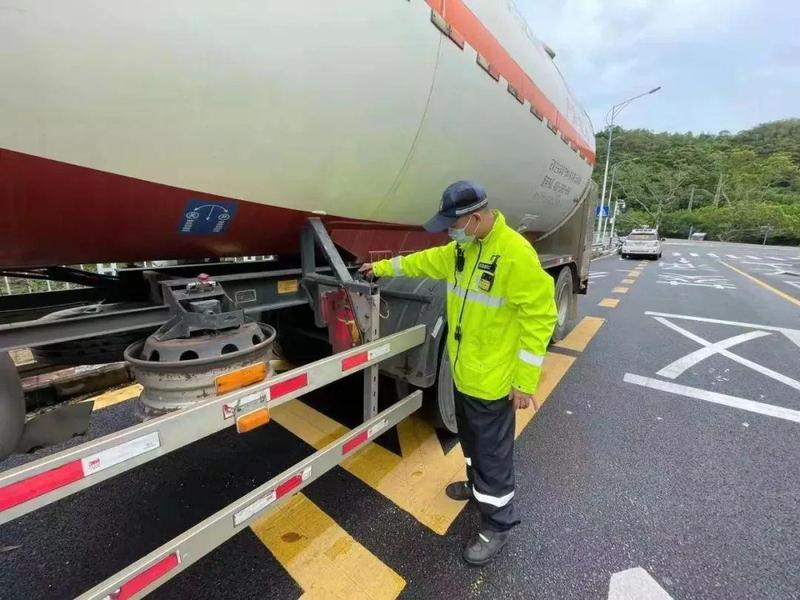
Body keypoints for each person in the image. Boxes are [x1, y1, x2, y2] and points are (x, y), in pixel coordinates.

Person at [359, 180, 557, 565]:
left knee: (492, 455)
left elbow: (541, 318)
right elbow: (421, 261)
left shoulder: (515, 254)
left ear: (475, 219)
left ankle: (497, 524)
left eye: (454, 224)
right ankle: (475, 485)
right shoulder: (462, 250)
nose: (450, 232)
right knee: (471, 443)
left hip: (494, 382)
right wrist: (380, 268)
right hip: (465, 374)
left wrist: (524, 382)